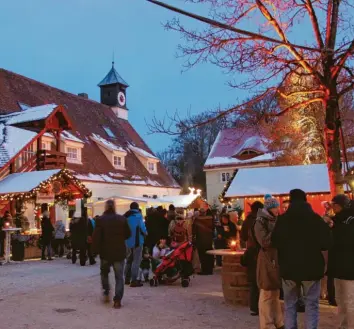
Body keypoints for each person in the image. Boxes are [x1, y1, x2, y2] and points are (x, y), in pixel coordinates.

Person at [272, 189, 331, 329]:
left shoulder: (283, 220)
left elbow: (274, 241)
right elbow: (327, 243)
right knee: (311, 304)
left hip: (288, 268)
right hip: (311, 268)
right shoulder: (315, 219)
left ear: (291, 201)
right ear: (306, 200)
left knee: (290, 304)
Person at [93, 200, 131, 309]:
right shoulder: (122, 219)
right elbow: (128, 234)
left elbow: (96, 237)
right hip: (119, 252)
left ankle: (106, 292)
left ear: (105, 207)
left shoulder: (100, 220)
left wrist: (94, 251)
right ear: (114, 207)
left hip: (105, 252)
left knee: (104, 273)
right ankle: (117, 299)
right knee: (119, 277)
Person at [254, 195, 284, 329]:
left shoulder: (276, 220)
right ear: (270, 208)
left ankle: (278, 321)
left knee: (275, 292)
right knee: (266, 292)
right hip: (266, 259)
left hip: (276, 258)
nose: (278, 210)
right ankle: (266, 323)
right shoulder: (260, 222)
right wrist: (277, 231)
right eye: (276, 207)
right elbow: (264, 241)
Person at [327, 194, 354, 329]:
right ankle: (343, 325)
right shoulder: (336, 220)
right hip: (337, 266)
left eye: (335, 205)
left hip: (349, 267)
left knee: (350, 301)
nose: (333, 208)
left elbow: (346, 240)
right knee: (340, 300)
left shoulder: (350, 220)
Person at [241, 201, 264, 316]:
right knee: (262, 280)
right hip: (261, 253)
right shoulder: (262, 220)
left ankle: (253, 308)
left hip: (250, 252)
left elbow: (243, 237)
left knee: (253, 281)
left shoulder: (247, 220)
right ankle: (262, 306)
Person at [125, 202, 147, 287]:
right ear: (137, 208)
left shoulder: (125, 215)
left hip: (127, 241)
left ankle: (126, 279)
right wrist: (146, 233)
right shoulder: (138, 215)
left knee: (129, 260)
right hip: (137, 241)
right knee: (136, 260)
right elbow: (142, 227)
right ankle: (133, 280)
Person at [193, 208, 214, 275]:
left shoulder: (197, 220)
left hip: (201, 240)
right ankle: (210, 270)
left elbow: (194, 230)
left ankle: (204, 270)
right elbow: (213, 228)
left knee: (203, 256)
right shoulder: (211, 219)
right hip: (209, 240)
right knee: (209, 255)